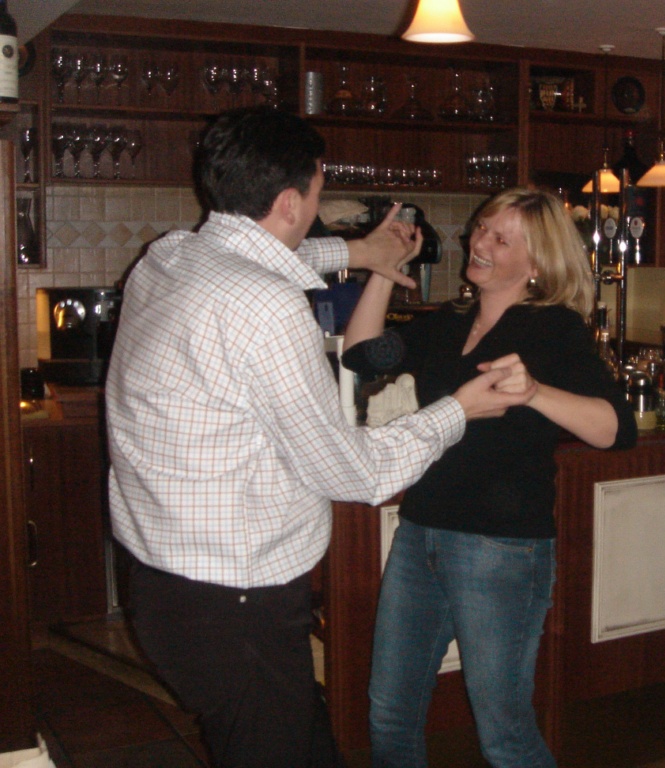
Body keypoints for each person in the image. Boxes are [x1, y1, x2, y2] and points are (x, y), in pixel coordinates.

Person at [105, 106, 536, 768]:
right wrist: (458, 410)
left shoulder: (170, 254)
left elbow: (273, 253)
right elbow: (353, 473)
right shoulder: (265, 304)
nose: (317, 203)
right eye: (316, 189)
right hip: (236, 606)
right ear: (289, 201)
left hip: (166, 588)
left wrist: (361, 252)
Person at [341, 187, 636, 767]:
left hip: (501, 547)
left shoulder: (553, 328)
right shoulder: (451, 321)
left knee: (503, 731)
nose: (480, 243)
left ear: (536, 263)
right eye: (482, 228)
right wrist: (382, 270)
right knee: (389, 712)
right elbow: (360, 355)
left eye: (502, 239)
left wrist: (535, 392)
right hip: (421, 531)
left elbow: (615, 430)